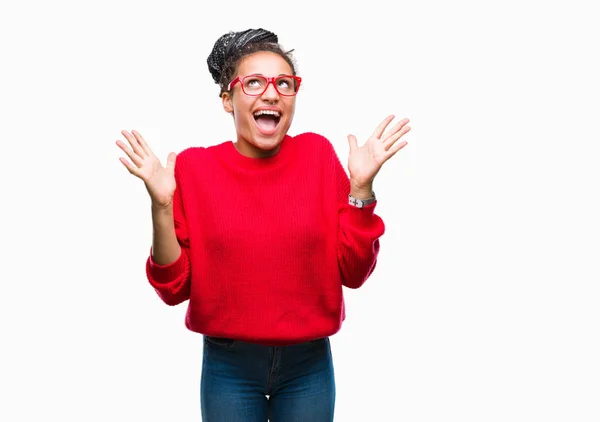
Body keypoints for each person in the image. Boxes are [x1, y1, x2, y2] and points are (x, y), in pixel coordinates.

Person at [115, 28, 410, 422]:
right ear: (227, 99)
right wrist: (162, 206)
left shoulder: (317, 155)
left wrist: (361, 188)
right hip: (228, 365)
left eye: (283, 84)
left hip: (309, 363)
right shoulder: (193, 167)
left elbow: (354, 274)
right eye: (254, 82)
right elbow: (173, 289)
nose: (271, 94)